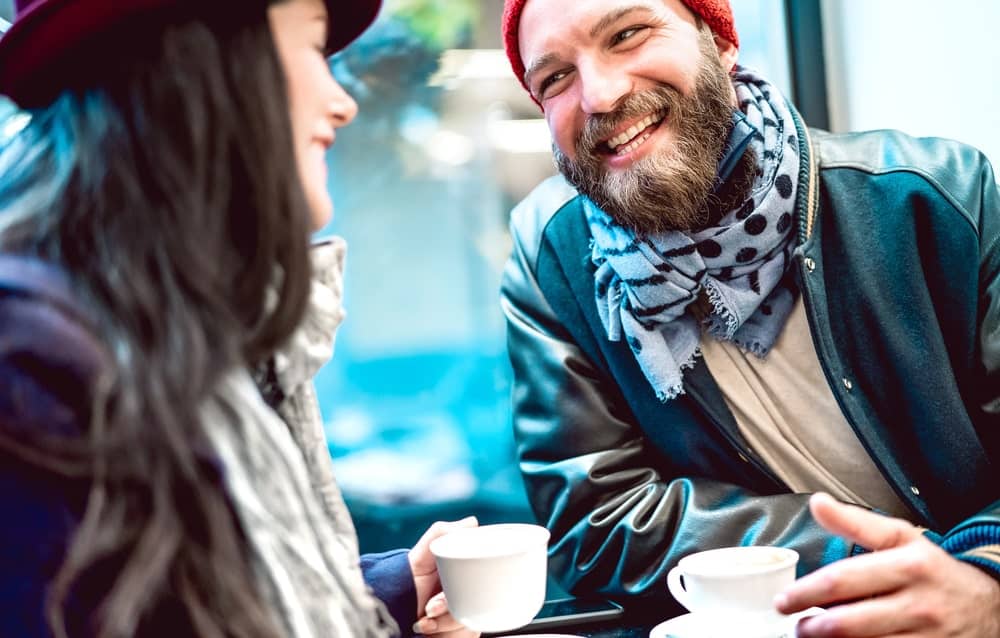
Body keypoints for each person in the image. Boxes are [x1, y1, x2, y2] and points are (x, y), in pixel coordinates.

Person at [498, 0, 1000, 635]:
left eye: (628, 34)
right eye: (555, 79)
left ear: (720, 42)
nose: (598, 94)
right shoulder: (555, 258)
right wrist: (865, 559)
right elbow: (597, 521)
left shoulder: (935, 196)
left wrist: (982, 576)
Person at [0, 1, 476, 637]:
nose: (343, 102)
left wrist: (394, 589)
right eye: (312, 48)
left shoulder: (175, 338)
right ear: (195, 62)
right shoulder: (38, 376)